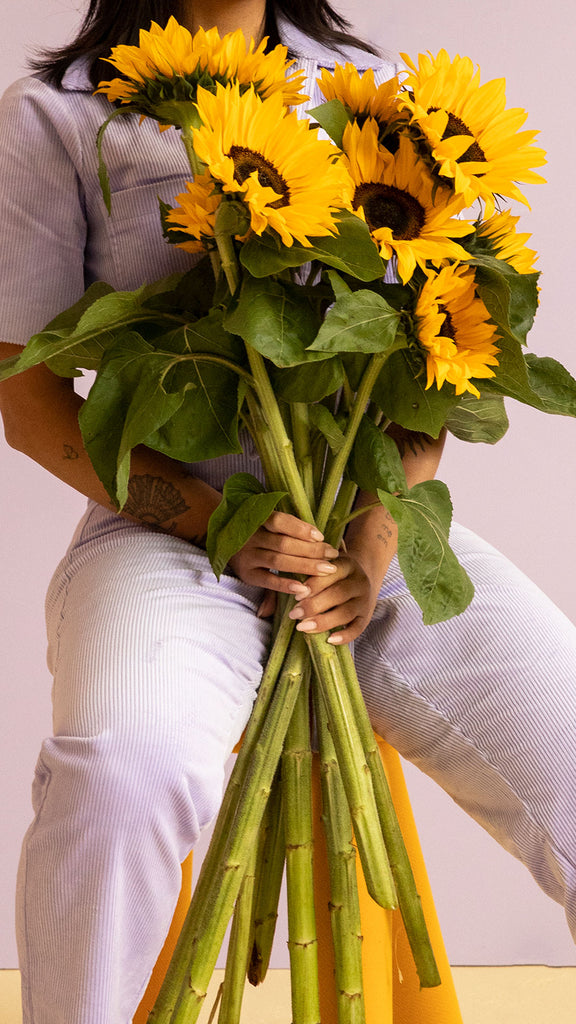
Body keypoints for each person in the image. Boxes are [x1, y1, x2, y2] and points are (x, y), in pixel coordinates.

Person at [1, 1, 575, 1020]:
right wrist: (216, 523)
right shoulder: (55, 116)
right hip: (163, 537)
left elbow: (424, 366)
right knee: (121, 772)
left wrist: (371, 536)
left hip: (366, 537)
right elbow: (26, 394)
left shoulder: (370, 92)